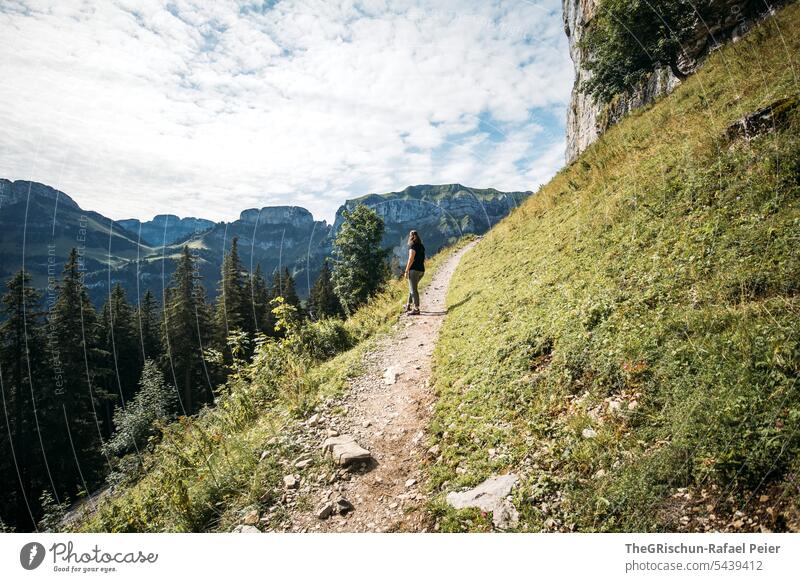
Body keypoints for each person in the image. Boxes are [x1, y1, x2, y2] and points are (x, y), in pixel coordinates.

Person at [404, 230, 425, 315]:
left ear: (411, 236)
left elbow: (411, 259)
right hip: (421, 270)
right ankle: (408, 305)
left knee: (413, 289)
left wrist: (406, 270)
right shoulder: (421, 246)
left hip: (414, 270)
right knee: (412, 287)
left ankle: (416, 308)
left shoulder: (412, 246)